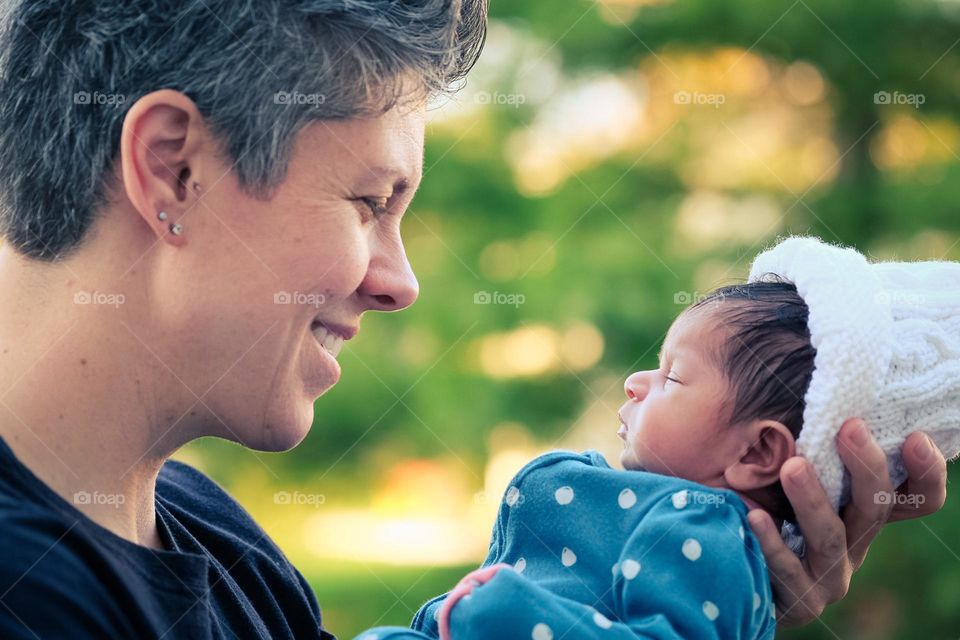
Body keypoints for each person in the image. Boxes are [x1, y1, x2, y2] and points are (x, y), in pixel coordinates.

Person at [0, 1, 947, 637]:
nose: (399, 281)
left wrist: (705, 601)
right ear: (175, 170)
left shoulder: (211, 539)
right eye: (370, 201)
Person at [355, 237, 960, 640]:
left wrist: (503, 613)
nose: (637, 380)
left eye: (672, 375)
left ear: (755, 452)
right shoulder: (676, 516)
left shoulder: (705, 533)